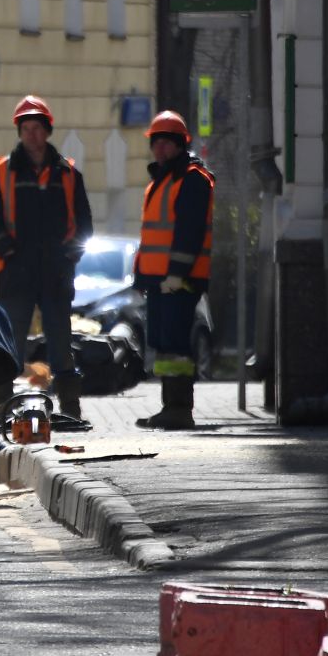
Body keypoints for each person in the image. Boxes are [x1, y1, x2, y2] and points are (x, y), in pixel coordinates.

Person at [0, 95, 94, 418]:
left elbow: (84, 223)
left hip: (56, 274)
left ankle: (70, 409)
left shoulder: (69, 174)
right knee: (8, 343)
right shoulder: (1, 173)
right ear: (20, 132)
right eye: (26, 128)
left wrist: (68, 257)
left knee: (60, 344)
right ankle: (1, 407)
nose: (32, 134)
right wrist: (8, 250)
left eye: (37, 128)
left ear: (47, 131)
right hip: (15, 273)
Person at [133, 110, 215, 430]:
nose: (161, 149)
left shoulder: (192, 179)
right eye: (157, 143)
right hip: (160, 279)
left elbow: (189, 231)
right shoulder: (164, 179)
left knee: (177, 343)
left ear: (180, 145)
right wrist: (145, 277)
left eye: (167, 143)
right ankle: (171, 406)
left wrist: (177, 273)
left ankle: (180, 408)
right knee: (166, 343)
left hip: (178, 279)